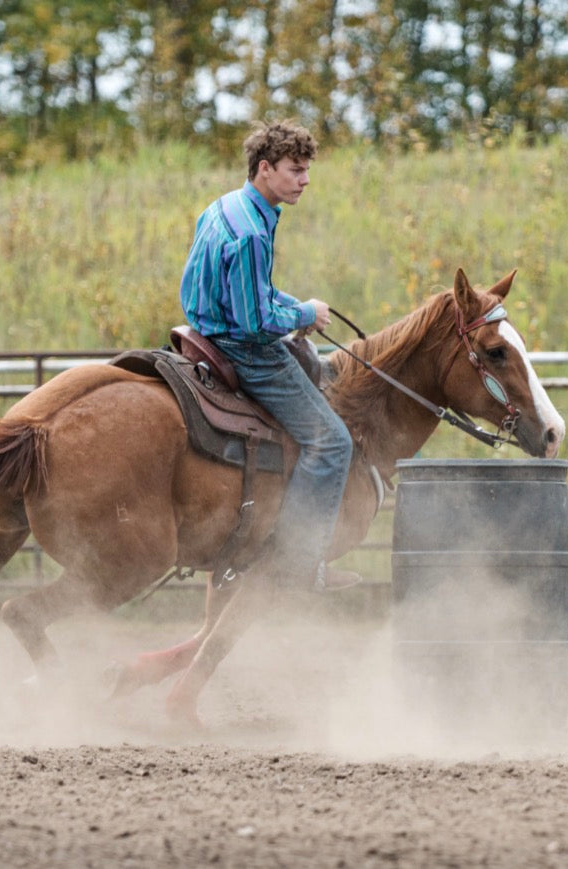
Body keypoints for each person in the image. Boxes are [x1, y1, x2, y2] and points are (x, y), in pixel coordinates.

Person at [179, 120, 360, 593]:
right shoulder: (253, 233)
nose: (304, 181)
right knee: (333, 442)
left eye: (306, 171)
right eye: (295, 170)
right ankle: (297, 565)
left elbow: (252, 294)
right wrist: (302, 311)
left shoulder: (224, 207)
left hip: (203, 332)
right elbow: (254, 321)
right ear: (265, 168)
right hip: (244, 350)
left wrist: (294, 309)